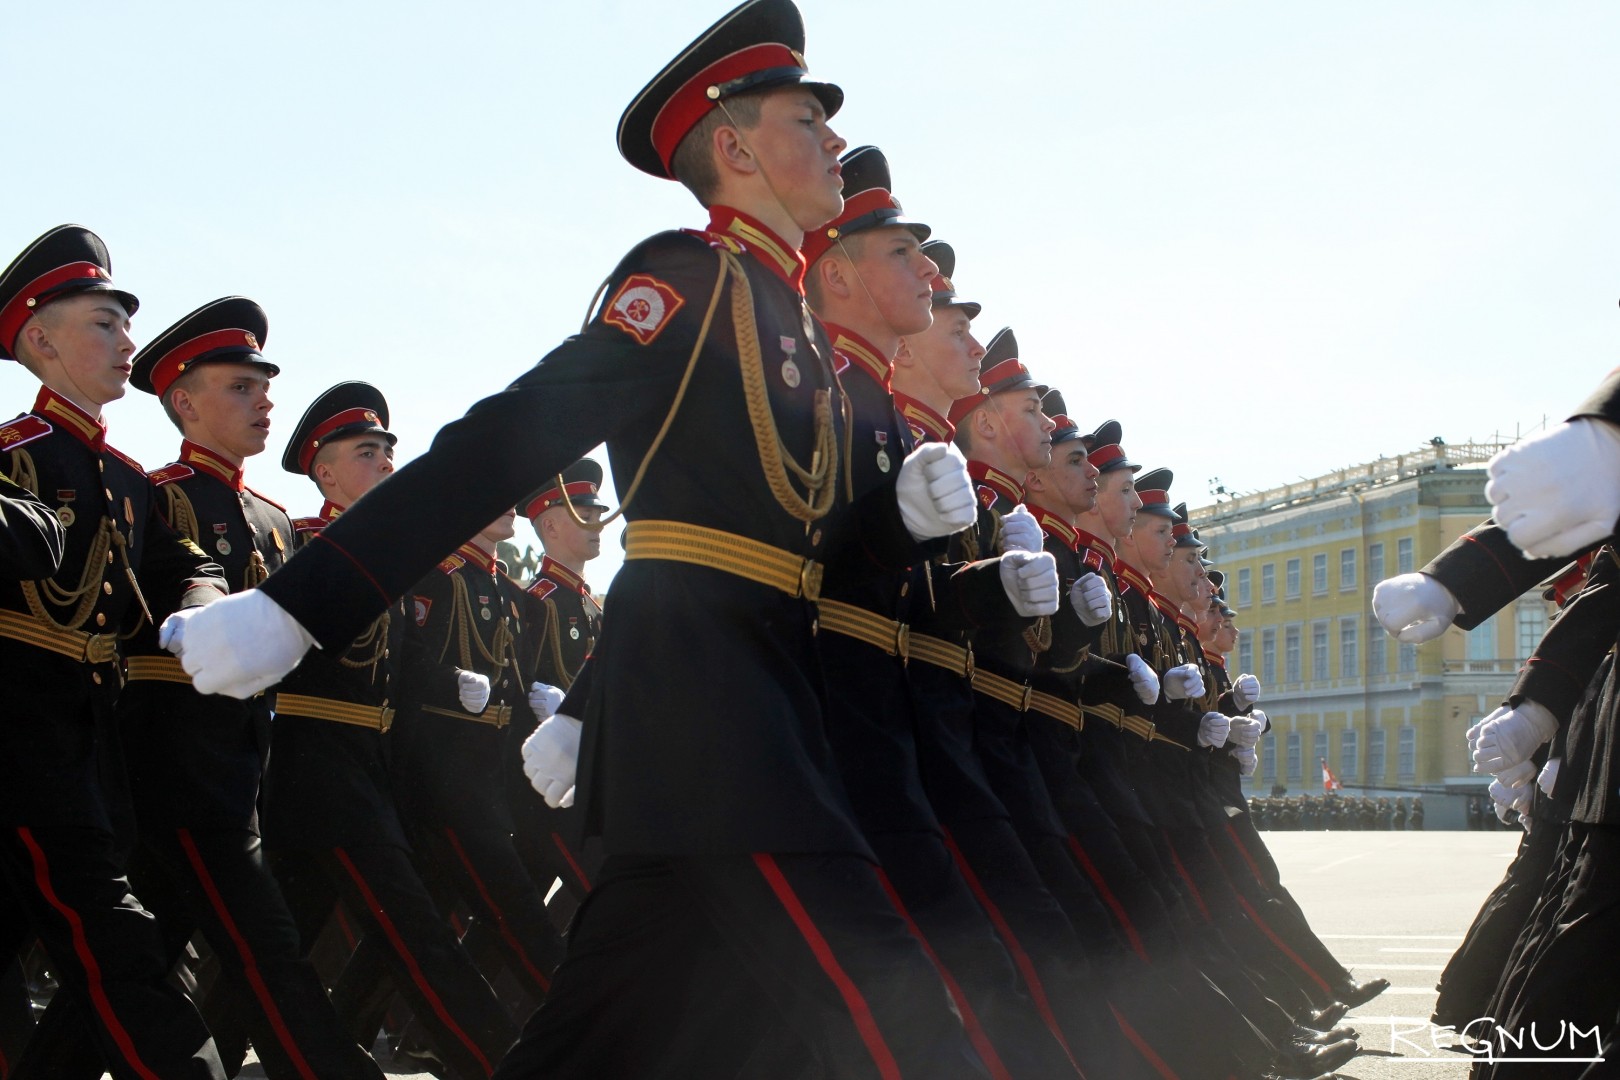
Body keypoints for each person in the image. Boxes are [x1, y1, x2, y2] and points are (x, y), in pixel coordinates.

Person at [169, 3, 990, 1075]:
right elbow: (506, 442)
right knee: (888, 1007)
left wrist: (897, 528)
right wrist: (300, 603)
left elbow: (795, 558)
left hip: (757, 711)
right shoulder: (688, 285)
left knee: (610, 1035)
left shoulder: (793, 326)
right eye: (807, 117)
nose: (834, 138)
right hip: (715, 723)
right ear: (736, 147)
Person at [0, 224, 228, 1079]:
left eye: (125, 325)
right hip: (24, 746)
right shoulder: (13, 458)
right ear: (40, 339)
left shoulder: (130, 482)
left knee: (96, 959)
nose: (127, 342)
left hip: (91, 754)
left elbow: (188, 568)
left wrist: (206, 611)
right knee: (122, 953)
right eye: (104, 323)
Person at [259, 383, 517, 1079]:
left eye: (388, 453)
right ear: (326, 474)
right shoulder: (303, 543)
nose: (386, 465)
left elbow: (401, 677)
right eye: (367, 453)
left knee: (267, 951)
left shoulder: (394, 565)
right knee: (415, 932)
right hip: (315, 768)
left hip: (369, 769)